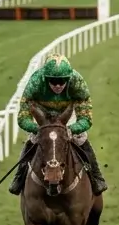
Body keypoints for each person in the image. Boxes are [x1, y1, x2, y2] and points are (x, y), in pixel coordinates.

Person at [10, 53, 107, 195]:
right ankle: (19, 177)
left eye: (62, 81)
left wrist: (72, 129)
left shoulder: (77, 82)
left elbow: (86, 118)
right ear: (45, 77)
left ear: (69, 78)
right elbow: (23, 117)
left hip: (68, 112)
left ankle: (96, 177)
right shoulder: (35, 82)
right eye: (53, 81)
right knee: (33, 139)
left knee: (81, 139)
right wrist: (38, 129)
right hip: (43, 114)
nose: (58, 85)